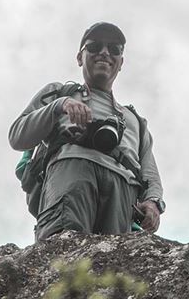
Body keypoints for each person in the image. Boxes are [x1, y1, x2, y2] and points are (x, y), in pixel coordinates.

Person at [9, 22, 165, 241]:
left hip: (122, 194)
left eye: (114, 49)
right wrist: (58, 106)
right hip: (70, 177)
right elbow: (17, 136)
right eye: (94, 46)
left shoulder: (136, 121)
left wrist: (153, 203)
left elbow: (150, 174)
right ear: (80, 57)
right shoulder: (57, 94)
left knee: (116, 269)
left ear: (121, 63)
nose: (104, 53)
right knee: (64, 258)